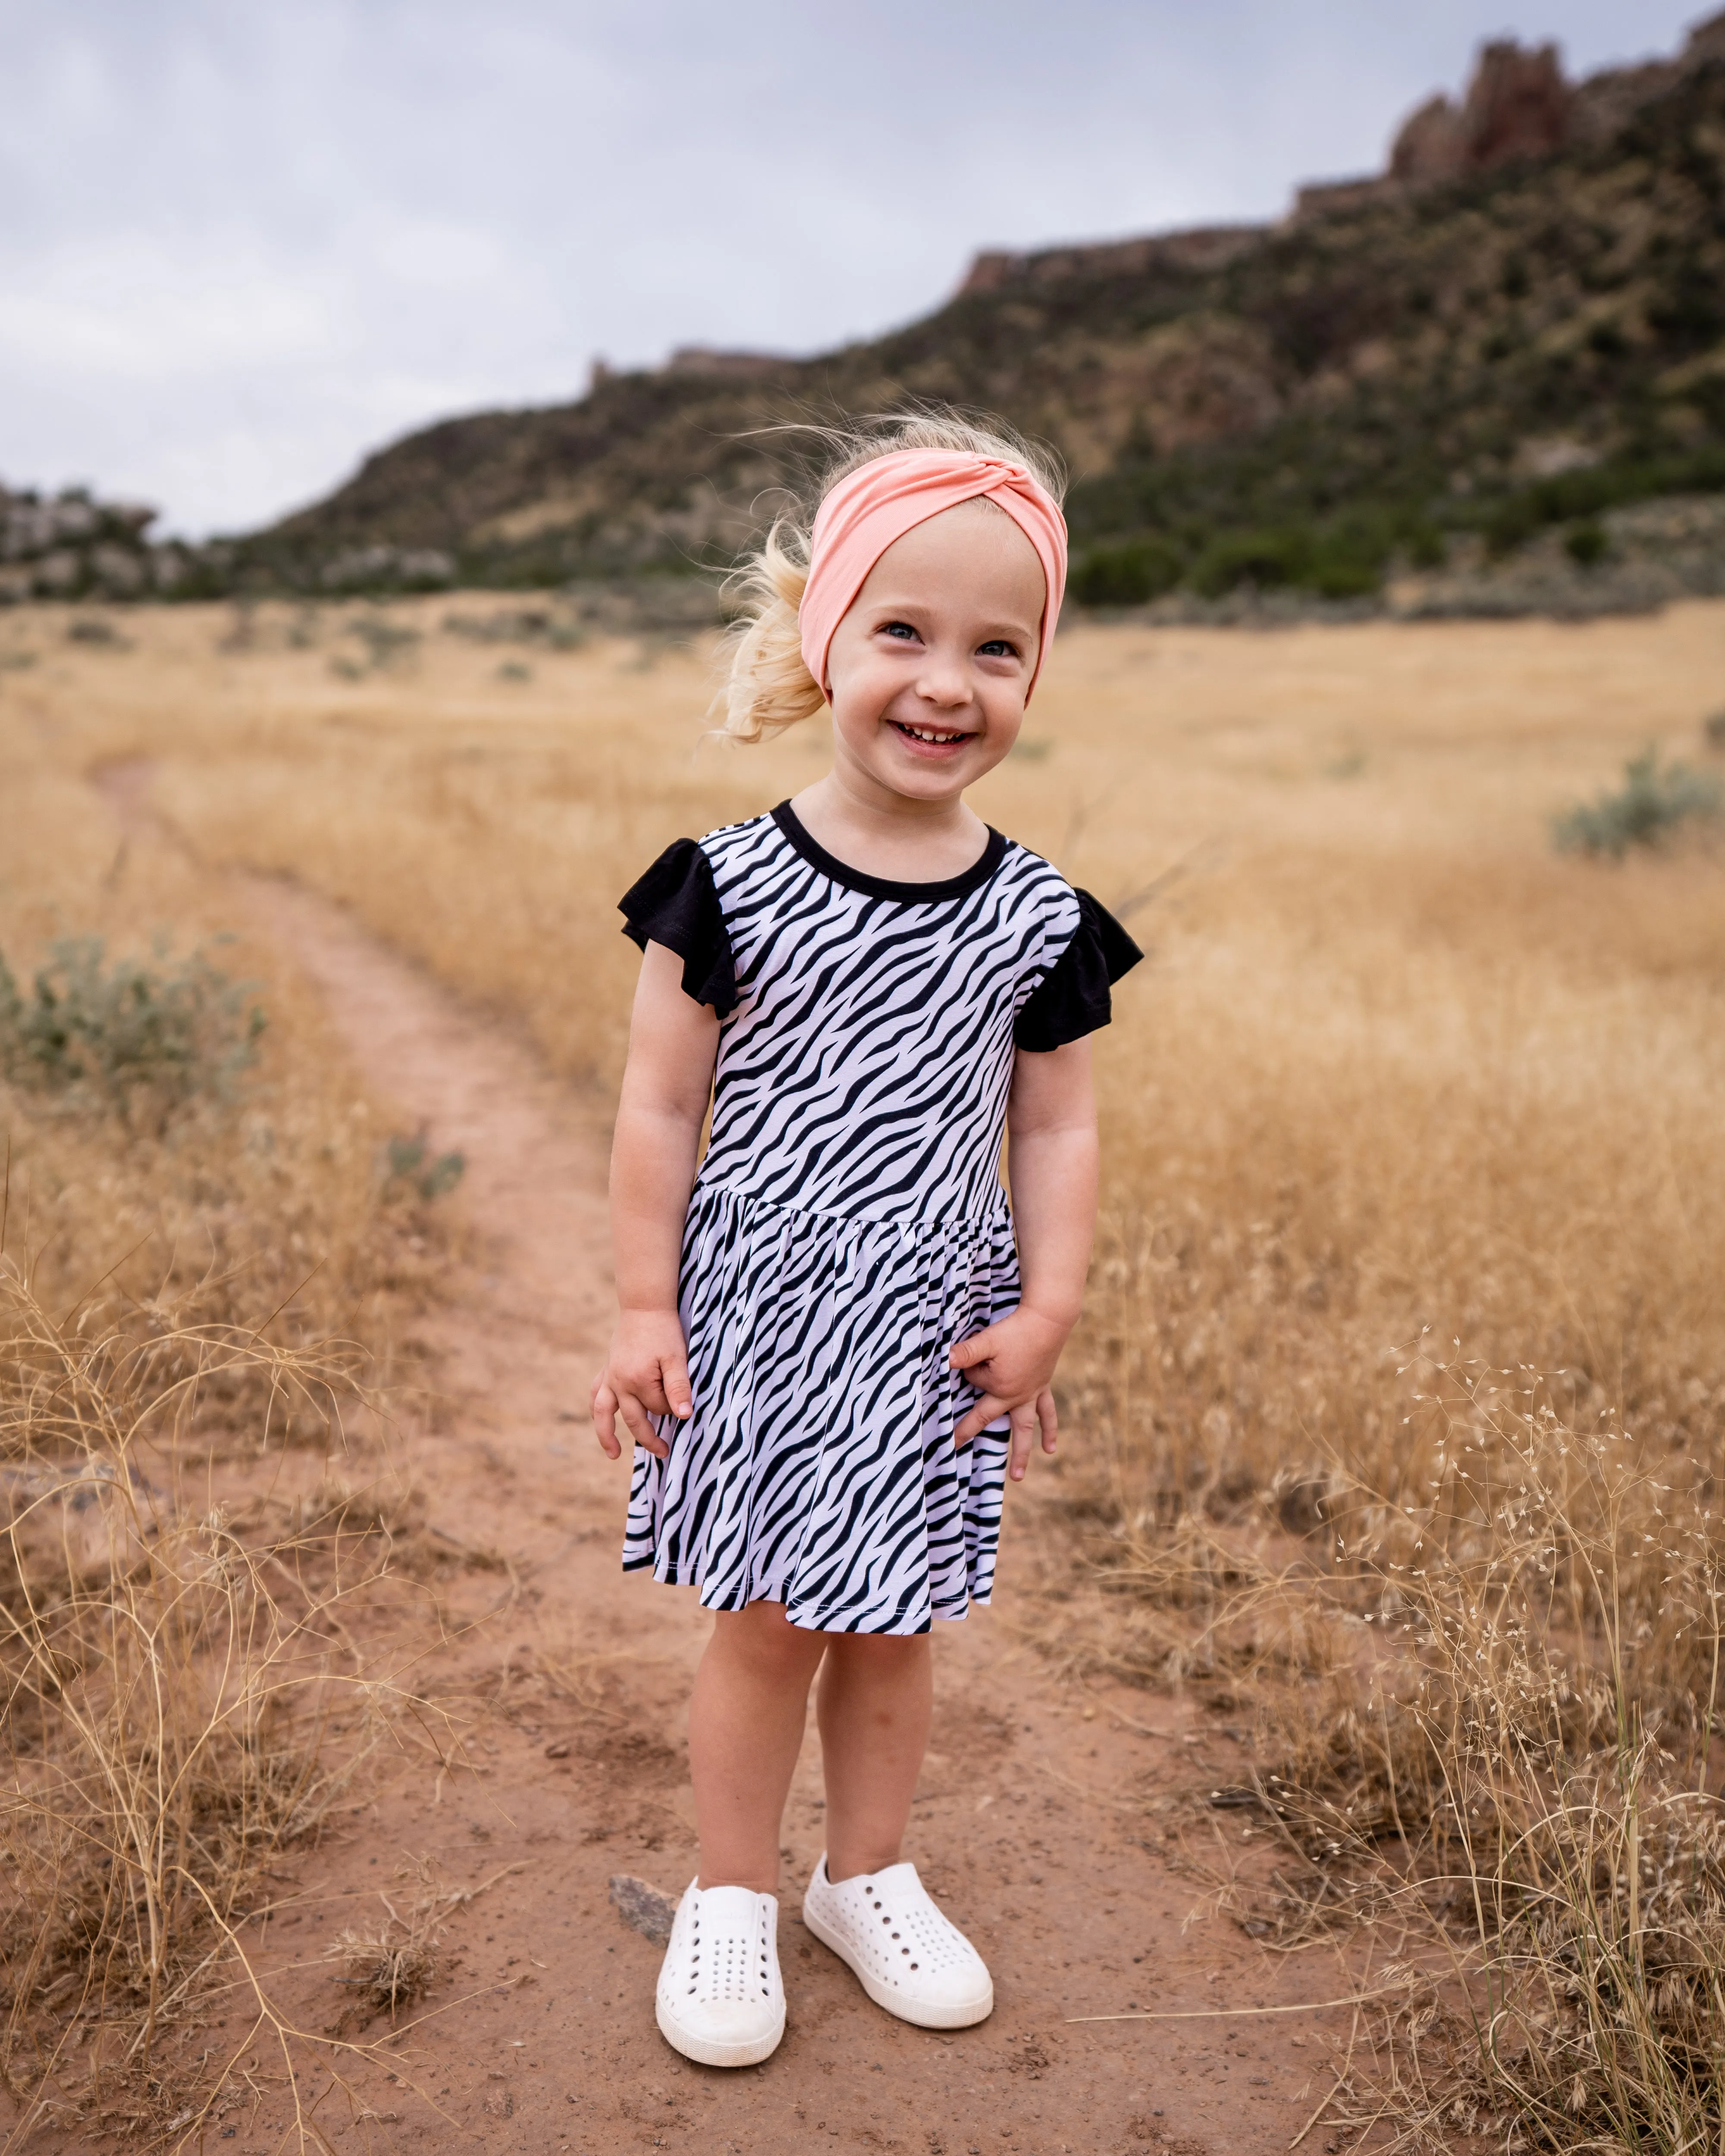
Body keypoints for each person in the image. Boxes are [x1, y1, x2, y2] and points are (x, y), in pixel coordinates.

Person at [591, 411, 1141, 2068]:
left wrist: (1051, 1309)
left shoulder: (1042, 916)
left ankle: (867, 1874)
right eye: (902, 631)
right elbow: (653, 1115)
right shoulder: (727, 886)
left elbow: (1055, 1126)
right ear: (825, 639)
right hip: (755, 1324)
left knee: (897, 1625)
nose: (945, 682)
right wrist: (639, 1308)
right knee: (762, 1625)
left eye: (998, 645)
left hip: (930, 1335)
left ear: (1036, 674)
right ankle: (732, 1898)